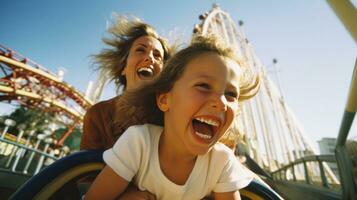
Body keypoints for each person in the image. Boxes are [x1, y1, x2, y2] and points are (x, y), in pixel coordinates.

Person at [85, 35, 261, 200]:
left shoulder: (221, 162)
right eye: (203, 86)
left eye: (231, 94)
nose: (222, 102)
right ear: (164, 99)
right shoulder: (137, 141)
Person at [80, 15, 172, 150]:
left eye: (157, 55)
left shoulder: (172, 116)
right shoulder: (99, 115)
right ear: (123, 67)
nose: (149, 58)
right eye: (141, 50)